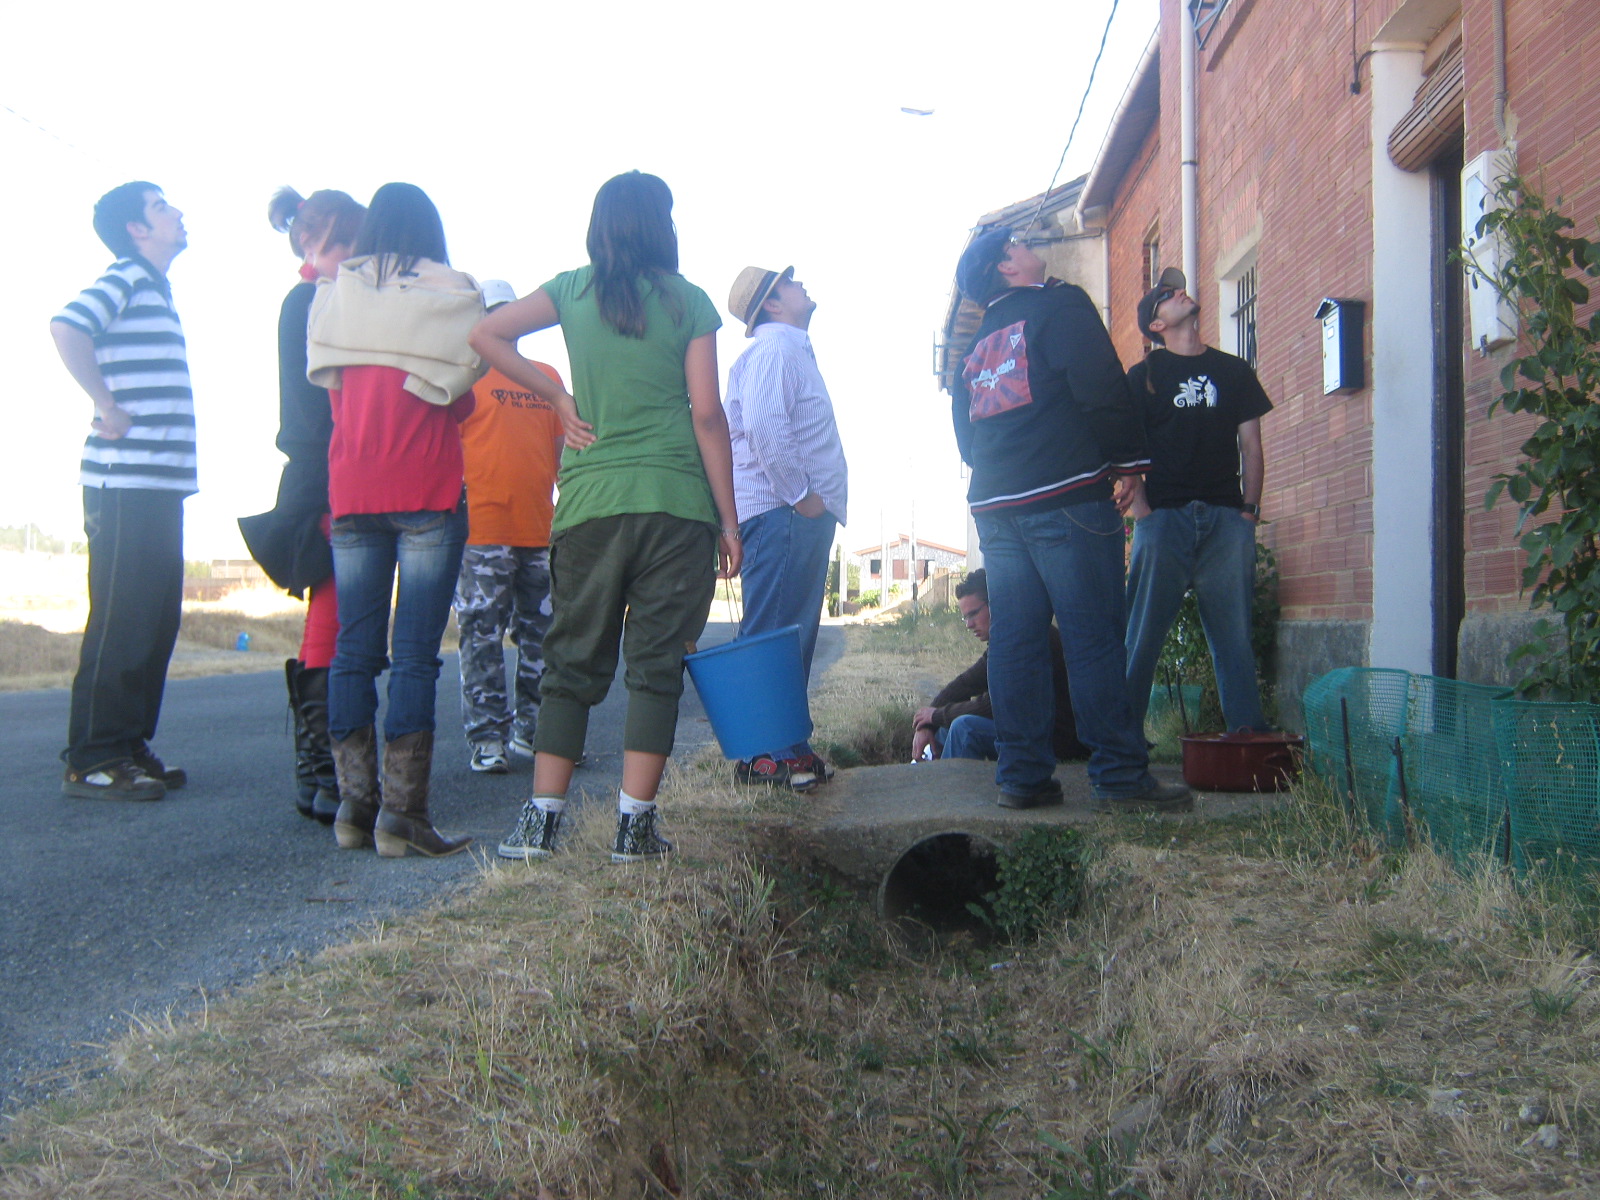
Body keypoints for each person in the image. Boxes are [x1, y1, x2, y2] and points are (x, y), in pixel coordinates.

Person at [471, 170, 742, 864]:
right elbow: (707, 415)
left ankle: (540, 822)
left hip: (590, 505)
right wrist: (729, 522)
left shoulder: (571, 290)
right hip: (677, 506)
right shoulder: (689, 301)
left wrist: (557, 398)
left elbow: (487, 334)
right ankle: (634, 828)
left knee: (569, 659)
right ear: (660, 227)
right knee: (656, 666)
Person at [950, 227, 1192, 814]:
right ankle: (1119, 775)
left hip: (996, 509)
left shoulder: (977, 343)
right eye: (1018, 244)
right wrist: (1128, 463)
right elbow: (1102, 386)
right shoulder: (1059, 305)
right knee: (1093, 637)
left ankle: (1022, 777)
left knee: (1016, 641)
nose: (1029, 246)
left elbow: (964, 433)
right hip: (1067, 495)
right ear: (1007, 265)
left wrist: (1004, 470)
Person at [306, 182, 484, 858]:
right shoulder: (448, 298)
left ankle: (354, 809)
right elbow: (461, 402)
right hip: (426, 487)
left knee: (353, 650)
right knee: (414, 656)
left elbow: (331, 395)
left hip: (353, 488)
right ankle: (402, 818)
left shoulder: (337, 297)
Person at [50, 183, 194, 801]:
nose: (177, 213)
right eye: (161, 207)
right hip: (123, 481)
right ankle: (93, 758)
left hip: (157, 484)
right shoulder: (126, 277)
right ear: (137, 229)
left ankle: (128, 744)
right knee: (122, 618)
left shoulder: (154, 288)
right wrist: (105, 403)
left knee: (155, 621)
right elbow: (66, 326)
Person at [241, 187, 367, 824]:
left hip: (329, 469)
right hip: (326, 472)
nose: (353, 253)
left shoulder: (321, 298)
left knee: (337, 610)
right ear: (311, 245)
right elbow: (315, 411)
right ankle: (323, 769)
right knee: (335, 609)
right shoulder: (313, 301)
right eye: (340, 243)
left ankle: (323, 770)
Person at [1122, 267, 1273, 733]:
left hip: (1227, 521)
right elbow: (1126, 449)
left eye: (1180, 289)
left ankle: (1248, 743)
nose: (1181, 294)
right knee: (1141, 640)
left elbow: (1251, 446)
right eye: (1168, 295)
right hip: (1164, 520)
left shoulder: (1234, 371)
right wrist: (1144, 514)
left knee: (1233, 641)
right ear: (1156, 324)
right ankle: (1120, 744)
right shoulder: (1143, 377)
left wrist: (1249, 512)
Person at [722, 264, 848, 791]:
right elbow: (765, 426)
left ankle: (788, 748)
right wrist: (803, 497)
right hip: (784, 511)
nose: (802, 286)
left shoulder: (785, 350)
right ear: (772, 303)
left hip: (789, 513)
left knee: (788, 633)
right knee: (776, 634)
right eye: (790, 283)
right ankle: (766, 755)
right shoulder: (775, 350)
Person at [453, 279, 565, 775]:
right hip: (481, 532)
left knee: (545, 637)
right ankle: (488, 739)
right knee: (482, 637)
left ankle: (534, 732)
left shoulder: (547, 377)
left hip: (541, 532)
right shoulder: (462, 377)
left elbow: (563, 459)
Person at [912, 569, 1086, 763]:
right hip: (1031, 728)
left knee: (965, 728)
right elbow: (966, 684)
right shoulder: (1006, 638)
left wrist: (936, 715)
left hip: (1058, 739)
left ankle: (950, 783)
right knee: (946, 727)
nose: (969, 624)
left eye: (973, 614)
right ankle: (931, 773)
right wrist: (926, 724)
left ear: (997, 604)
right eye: (965, 617)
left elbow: (997, 704)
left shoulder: (1028, 640)